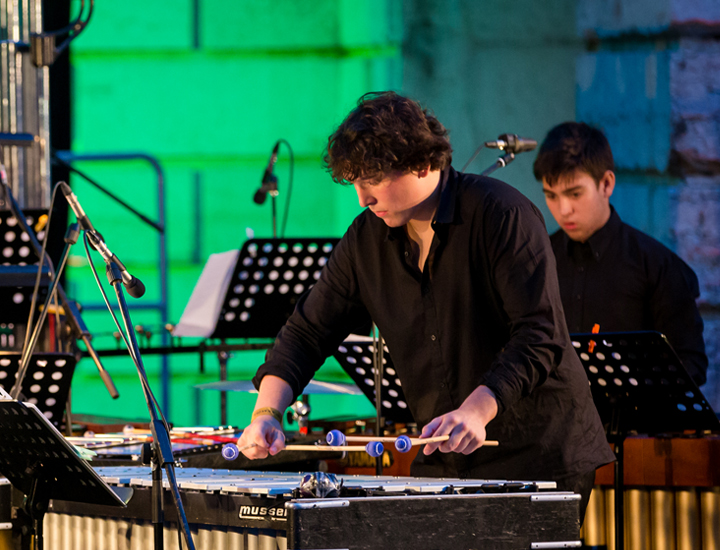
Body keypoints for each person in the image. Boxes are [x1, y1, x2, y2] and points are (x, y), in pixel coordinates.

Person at [235, 92, 613, 520]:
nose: (362, 198)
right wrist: (266, 411)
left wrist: (476, 410)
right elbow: (307, 331)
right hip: (446, 459)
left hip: (537, 454)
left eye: (372, 180)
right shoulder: (365, 241)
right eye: (354, 183)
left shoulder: (502, 215)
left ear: (422, 163)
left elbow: (539, 336)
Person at [534, 122, 707, 385]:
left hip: (635, 421)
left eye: (575, 193)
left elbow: (690, 363)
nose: (563, 209)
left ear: (606, 184)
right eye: (551, 195)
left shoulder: (657, 265)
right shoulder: (540, 259)